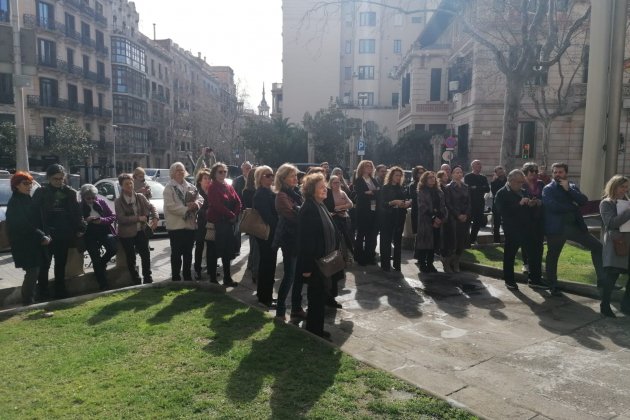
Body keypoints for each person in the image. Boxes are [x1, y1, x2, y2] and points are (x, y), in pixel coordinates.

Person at [543, 162, 604, 296]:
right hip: (557, 229)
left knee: (598, 247)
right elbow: (552, 206)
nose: (558, 174)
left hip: (575, 227)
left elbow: (583, 201)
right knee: (553, 256)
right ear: (552, 173)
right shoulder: (548, 188)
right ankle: (552, 285)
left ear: (566, 173)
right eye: (555, 172)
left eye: (560, 172)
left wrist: (569, 191)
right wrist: (573, 206)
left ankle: (602, 280)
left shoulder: (571, 186)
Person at [32, 164, 85, 299]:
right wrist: (39, 233)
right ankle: (43, 292)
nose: (59, 181)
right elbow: (34, 214)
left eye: (62, 179)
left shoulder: (70, 192)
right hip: (47, 233)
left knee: (60, 265)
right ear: (49, 178)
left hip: (64, 233)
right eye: (56, 179)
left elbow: (77, 213)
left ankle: (60, 291)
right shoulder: (41, 192)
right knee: (45, 265)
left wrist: (80, 227)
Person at [297, 172, 339, 340]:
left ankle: (316, 327)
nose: (325, 189)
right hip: (314, 262)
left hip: (324, 260)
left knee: (320, 295)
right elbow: (306, 241)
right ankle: (315, 330)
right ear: (311, 190)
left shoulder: (320, 205)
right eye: (321, 187)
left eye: (325, 186)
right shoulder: (309, 208)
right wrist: (307, 268)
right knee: (315, 297)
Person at [494, 170, 545, 291]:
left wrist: (532, 204)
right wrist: (519, 204)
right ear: (510, 181)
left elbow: (528, 210)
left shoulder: (523, 191)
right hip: (512, 229)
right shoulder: (502, 193)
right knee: (510, 255)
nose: (522, 185)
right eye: (519, 182)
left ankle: (535, 280)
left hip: (527, 227)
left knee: (534, 253)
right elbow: (500, 212)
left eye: (523, 182)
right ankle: (509, 280)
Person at [6, 172, 51, 305]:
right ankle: (27, 302)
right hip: (24, 244)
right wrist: (41, 235)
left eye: (30, 183)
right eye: (25, 183)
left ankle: (33, 298)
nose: (29, 186)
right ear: (16, 185)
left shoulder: (27, 198)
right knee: (32, 271)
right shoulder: (15, 202)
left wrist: (46, 234)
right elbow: (23, 224)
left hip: (34, 242)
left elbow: (38, 219)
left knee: (37, 269)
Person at [272, 163, 304, 321]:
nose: (296, 179)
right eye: (292, 176)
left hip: (299, 239)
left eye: (296, 176)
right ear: (283, 179)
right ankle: (280, 310)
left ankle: (297, 308)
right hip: (290, 241)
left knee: (298, 276)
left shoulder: (295, 193)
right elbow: (296, 217)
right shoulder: (281, 196)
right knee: (289, 275)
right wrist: (303, 210)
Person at [115, 173, 158, 285]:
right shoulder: (118, 201)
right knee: (131, 257)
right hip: (126, 234)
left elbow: (152, 207)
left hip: (141, 231)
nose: (129, 185)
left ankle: (148, 277)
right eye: (126, 184)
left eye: (131, 183)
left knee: (145, 254)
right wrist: (138, 218)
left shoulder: (140, 196)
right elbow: (121, 218)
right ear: (121, 186)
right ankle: (136, 279)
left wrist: (155, 218)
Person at [164, 162, 204, 281]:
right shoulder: (169, 187)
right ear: (172, 173)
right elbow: (170, 206)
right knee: (176, 253)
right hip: (176, 226)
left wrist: (196, 204)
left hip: (189, 225)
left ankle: (187, 276)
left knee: (188, 253)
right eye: (177, 170)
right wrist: (187, 209)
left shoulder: (190, 186)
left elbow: (200, 198)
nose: (180, 172)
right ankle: (176, 277)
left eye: (182, 170)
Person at [205, 163, 242, 286]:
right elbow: (216, 205)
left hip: (228, 223)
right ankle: (213, 278)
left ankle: (227, 278)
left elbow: (238, 201)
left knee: (228, 251)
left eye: (224, 172)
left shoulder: (228, 185)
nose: (222, 174)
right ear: (214, 173)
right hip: (218, 222)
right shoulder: (213, 187)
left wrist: (234, 214)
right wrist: (231, 215)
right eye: (220, 172)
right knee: (215, 250)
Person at [599, 175, 630, 317]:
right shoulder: (606, 203)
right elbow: (611, 223)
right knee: (612, 275)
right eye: (622, 186)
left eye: (626, 186)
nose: (625, 189)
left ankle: (626, 305)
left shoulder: (627, 201)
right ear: (614, 186)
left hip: (628, 242)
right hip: (616, 243)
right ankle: (605, 305)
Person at [79, 184, 118, 291]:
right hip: (89, 234)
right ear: (83, 197)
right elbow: (77, 222)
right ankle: (103, 285)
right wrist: (86, 220)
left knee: (113, 248)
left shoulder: (101, 202)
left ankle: (102, 263)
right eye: (88, 198)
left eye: (93, 197)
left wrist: (101, 220)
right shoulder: (80, 206)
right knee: (95, 258)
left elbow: (112, 216)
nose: (91, 200)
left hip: (103, 230)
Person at [253, 165, 278, 308]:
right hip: (266, 234)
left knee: (269, 265)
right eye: (267, 175)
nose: (271, 177)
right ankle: (264, 297)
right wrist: (279, 225)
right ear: (260, 178)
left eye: (272, 175)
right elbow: (268, 216)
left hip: (270, 234)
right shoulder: (261, 194)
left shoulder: (269, 191)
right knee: (266, 265)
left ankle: (266, 295)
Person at [378, 167, 411, 272]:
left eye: (400, 175)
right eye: (396, 175)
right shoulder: (385, 188)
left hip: (399, 216)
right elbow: (382, 204)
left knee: (398, 241)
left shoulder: (401, 187)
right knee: (385, 241)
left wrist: (406, 203)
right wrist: (393, 202)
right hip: (387, 217)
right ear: (391, 175)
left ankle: (397, 264)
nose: (398, 177)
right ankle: (385, 264)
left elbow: (405, 199)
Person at [415, 171, 446, 273]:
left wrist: (440, 218)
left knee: (433, 243)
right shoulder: (422, 191)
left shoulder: (439, 191)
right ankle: (422, 263)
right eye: (429, 178)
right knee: (425, 243)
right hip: (426, 221)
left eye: (433, 177)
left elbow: (442, 206)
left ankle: (430, 263)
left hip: (438, 221)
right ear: (424, 179)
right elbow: (422, 206)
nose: (432, 179)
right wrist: (433, 218)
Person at [443, 166, 470, 272]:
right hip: (453, 218)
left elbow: (469, 202)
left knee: (462, 243)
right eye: (456, 172)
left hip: (465, 218)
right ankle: (447, 263)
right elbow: (448, 204)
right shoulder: (448, 187)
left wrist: (466, 214)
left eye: (460, 172)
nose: (459, 174)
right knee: (452, 242)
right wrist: (458, 215)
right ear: (452, 174)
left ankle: (456, 262)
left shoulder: (466, 187)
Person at [521, 162, 546, 274]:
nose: (535, 173)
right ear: (526, 172)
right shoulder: (521, 183)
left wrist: (540, 201)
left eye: (536, 171)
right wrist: (527, 202)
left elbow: (546, 197)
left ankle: (538, 262)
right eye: (532, 171)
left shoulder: (541, 184)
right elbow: (517, 197)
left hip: (539, 216)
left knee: (539, 241)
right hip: (525, 216)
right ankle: (526, 264)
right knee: (526, 241)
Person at [353, 160, 379, 266]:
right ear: (362, 168)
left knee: (371, 235)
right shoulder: (358, 180)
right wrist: (370, 192)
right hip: (362, 210)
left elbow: (378, 191)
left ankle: (370, 256)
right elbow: (359, 194)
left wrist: (370, 192)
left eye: (371, 166)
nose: (369, 168)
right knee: (361, 234)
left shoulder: (374, 179)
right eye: (367, 166)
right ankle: (359, 257)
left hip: (373, 210)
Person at [327, 174, 354, 260]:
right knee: (336, 239)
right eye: (335, 183)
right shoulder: (328, 193)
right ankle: (336, 258)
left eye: (338, 182)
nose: (337, 184)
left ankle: (347, 257)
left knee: (347, 238)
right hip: (333, 218)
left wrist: (340, 207)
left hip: (344, 217)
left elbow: (351, 204)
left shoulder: (342, 192)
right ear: (331, 184)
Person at [464, 160, 490, 245]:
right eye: (478, 164)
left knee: (477, 222)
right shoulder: (468, 176)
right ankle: (466, 239)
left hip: (480, 203)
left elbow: (487, 189)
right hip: (470, 203)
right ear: (473, 166)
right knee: (467, 222)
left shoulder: (483, 177)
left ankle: (473, 239)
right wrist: (480, 187)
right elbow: (468, 188)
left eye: (480, 164)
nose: (480, 165)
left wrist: (476, 187)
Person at [193, 169, 211, 280]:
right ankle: (197, 270)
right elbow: (197, 208)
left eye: (209, 178)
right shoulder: (197, 192)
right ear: (200, 181)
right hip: (200, 223)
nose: (208, 180)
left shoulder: (212, 191)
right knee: (199, 247)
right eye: (205, 178)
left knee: (211, 246)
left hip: (211, 223)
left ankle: (210, 268)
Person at [242, 166, 259, 283]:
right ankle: (253, 267)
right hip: (253, 220)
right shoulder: (248, 191)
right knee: (254, 245)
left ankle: (250, 264)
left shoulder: (250, 190)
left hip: (255, 221)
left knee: (253, 245)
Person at [408, 166, 426, 240]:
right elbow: (415, 198)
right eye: (419, 173)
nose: (421, 174)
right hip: (417, 212)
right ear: (415, 174)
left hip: (427, 213)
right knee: (418, 235)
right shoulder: (413, 185)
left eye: (423, 172)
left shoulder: (428, 184)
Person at [489, 166, 506, 243]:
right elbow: (495, 193)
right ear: (496, 173)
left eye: (502, 171)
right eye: (499, 172)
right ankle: (496, 240)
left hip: (507, 205)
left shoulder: (508, 180)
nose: (501, 173)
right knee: (497, 223)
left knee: (507, 223)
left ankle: (508, 239)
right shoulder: (494, 182)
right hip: (497, 205)